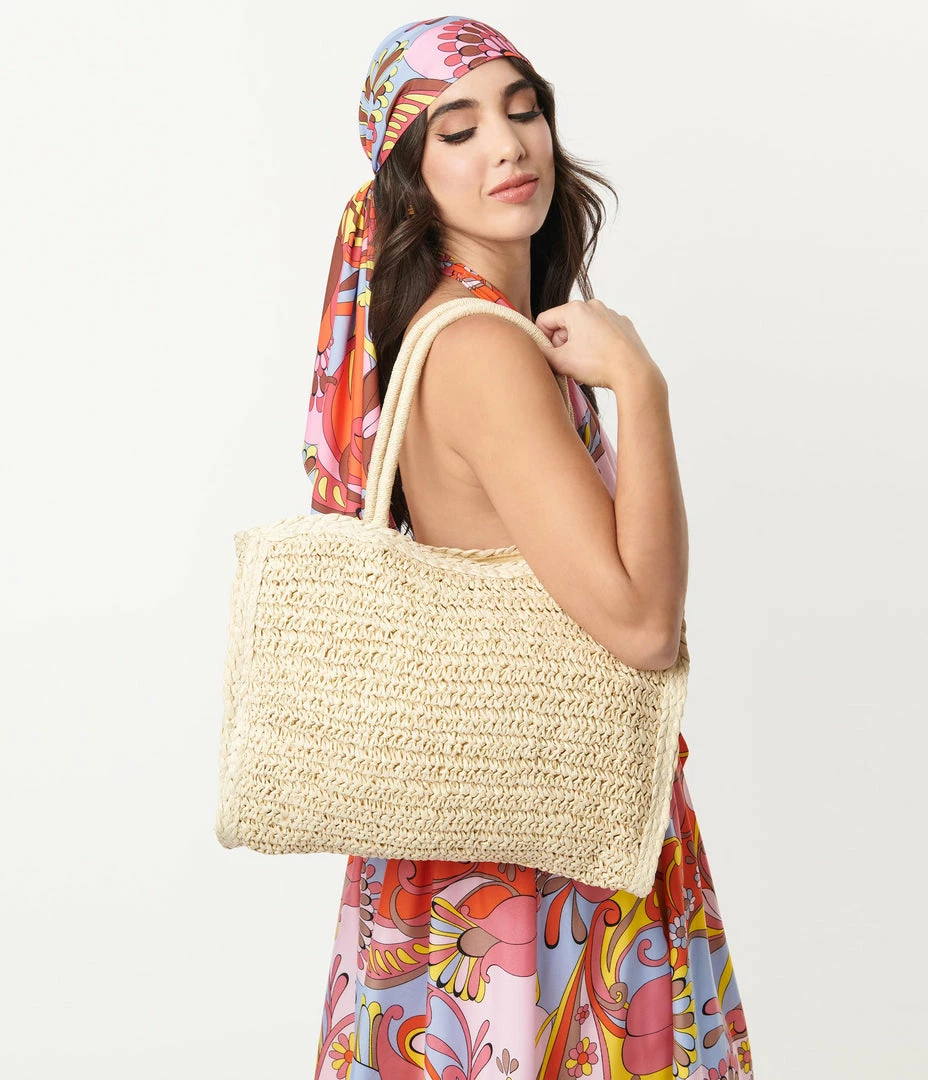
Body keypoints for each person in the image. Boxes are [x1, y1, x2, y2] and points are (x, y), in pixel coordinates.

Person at [303, 16, 754, 1079]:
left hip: (494, 840)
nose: (509, 145)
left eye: (523, 110)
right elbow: (641, 627)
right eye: (457, 130)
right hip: (540, 867)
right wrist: (640, 384)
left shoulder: (482, 329)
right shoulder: (478, 348)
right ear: (410, 179)